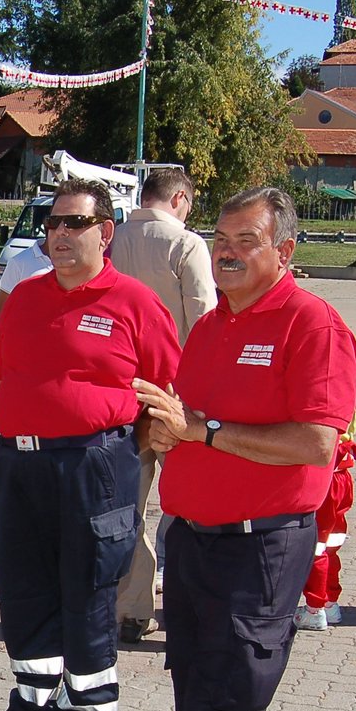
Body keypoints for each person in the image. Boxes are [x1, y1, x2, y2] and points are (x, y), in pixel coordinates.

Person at [128, 186, 356, 711]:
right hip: (196, 539)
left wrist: (206, 431)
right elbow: (194, 426)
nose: (225, 251)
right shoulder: (215, 326)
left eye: (244, 241)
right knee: (208, 694)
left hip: (259, 547)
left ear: (283, 251)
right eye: (219, 238)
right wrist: (165, 433)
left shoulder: (311, 323)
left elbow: (317, 444)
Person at [0, 178, 181, 711]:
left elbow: (165, 396)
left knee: (86, 596)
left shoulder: (135, 304)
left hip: (94, 468)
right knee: (24, 589)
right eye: (54, 223)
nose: (59, 233)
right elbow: (4, 377)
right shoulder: (26, 299)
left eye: (74, 223)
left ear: (105, 233)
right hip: (20, 467)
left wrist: (115, 451)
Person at [109, 167, 218, 643]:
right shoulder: (187, 245)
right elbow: (206, 322)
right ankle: (184, 603)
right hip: (178, 395)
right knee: (186, 504)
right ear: (178, 199)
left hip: (122, 391)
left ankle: (131, 607)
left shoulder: (111, 241)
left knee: (128, 504)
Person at [296, 344, 356, 630]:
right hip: (342, 479)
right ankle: (330, 602)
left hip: (327, 479)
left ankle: (315, 607)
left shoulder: (338, 386)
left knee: (316, 547)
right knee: (330, 546)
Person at [0, 239, 52, 319]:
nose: (62, 231)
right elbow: (1, 308)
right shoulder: (19, 262)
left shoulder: (74, 262)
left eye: (73, 226)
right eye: (55, 226)